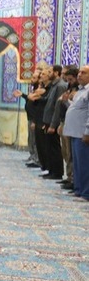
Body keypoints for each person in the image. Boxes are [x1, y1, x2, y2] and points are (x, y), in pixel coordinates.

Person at [63, 65, 89, 201]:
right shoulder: (80, 90)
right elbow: (76, 109)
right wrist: (66, 101)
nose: (79, 75)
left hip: (82, 133)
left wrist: (87, 132)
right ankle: (78, 189)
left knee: (84, 164)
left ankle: (86, 193)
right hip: (75, 133)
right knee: (77, 164)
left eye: (83, 73)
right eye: (79, 72)